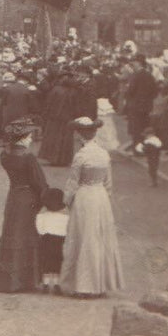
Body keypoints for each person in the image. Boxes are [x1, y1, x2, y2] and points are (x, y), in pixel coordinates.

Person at [59, 117, 124, 297]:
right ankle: (100, 285)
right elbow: (108, 183)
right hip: (100, 197)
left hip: (85, 197)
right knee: (99, 237)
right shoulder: (104, 154)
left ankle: (84, 286)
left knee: (83, 238)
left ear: (80, 136)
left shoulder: (81, 156)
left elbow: (73, 182)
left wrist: (66, 201)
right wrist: (104, 198)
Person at [0, 118, 48, 293]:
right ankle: (26, 280)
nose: (31, 139)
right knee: (26, 234)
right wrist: (45, 198)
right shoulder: (29, 159)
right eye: (29, 136)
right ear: (22, 138)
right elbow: (40, 183)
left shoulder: (5, 157)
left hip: (14, 197)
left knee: (12, 233)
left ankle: (7, 280)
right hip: (28, 199)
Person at [36, 188, 68, 294]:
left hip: (46, 241)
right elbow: (66, 231)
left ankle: (45, 284)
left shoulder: (42, 216)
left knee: (46, 263)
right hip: (58, 243)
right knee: (57, 263)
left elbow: (39, 228)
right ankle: (56, 284)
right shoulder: (64, 217)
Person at [125, 54, 158, 152]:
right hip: (146, 107)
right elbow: (155, 91)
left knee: (136, 130)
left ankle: (138, 150)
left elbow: (130, 91)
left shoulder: (135, 76)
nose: (132, 64)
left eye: (134, 62)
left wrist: (128, 96)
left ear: (139, 63)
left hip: (135, 107)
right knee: (144, 128)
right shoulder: (149, 75)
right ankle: (145, 149)